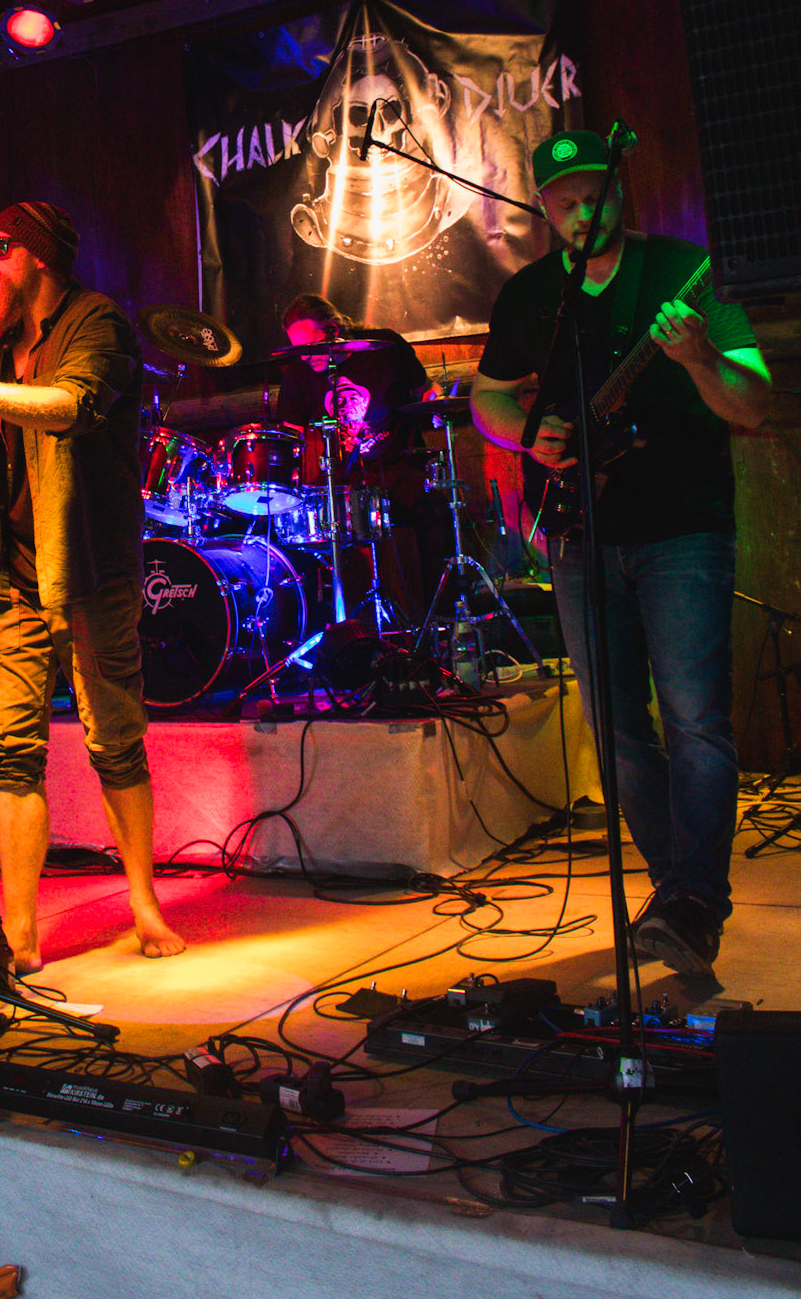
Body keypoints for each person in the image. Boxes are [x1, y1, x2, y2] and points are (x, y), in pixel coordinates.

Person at [471, 130, 771, 976]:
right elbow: (488, 394)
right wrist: (527, 437)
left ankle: (691, 901)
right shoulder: (533, 295)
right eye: (565, 200)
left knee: (695, 720)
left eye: (594, 193)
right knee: (613, 726)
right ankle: (678, 892)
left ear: (620, 191)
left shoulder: (685, 270)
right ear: (543, 209)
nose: (583, 211)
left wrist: (698, 356)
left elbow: (750, 404)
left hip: (682, 528)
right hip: (579, 532)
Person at [0, 200, 185, 975]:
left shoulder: (98, 322)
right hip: (13, 570)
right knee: (10, 750)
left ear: (38, 255)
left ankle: (144, 904)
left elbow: (70, 407)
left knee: (115, 741)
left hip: (90, 566)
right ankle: (24, 931)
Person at [276, 293, 441, 618]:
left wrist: (437, 400)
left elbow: (427, 390)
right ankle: (353, 625)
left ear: (334, 330)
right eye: (298, 350)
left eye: (311, 347)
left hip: (401, 466)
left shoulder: (385, 348)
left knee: (426, 519)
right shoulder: (298, 370)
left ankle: (429, 620)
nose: (305, 357)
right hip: (346, 479)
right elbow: (289, 434)